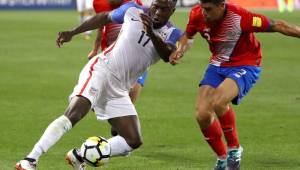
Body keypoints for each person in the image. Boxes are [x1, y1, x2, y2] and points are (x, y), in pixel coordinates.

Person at [15, 0, 182, 170]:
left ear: (172, 11)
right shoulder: (133, 10)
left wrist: (151, 33)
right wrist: (73, 32)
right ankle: (29, 160)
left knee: (133, 140)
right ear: (152, 3)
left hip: (120, 89)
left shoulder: (173, 32)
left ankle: (79, 155)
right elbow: (104, 17)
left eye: (164, 9)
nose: (158, 12)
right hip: (101, 71)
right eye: (156, 6)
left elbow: (167, 54)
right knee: (75, 113)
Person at [170, 0, 300, 170]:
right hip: (217, 65)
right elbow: (188, 35)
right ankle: (222, 158)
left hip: (246, 64)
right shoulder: (197, 14)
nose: (204, 13)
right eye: (202, 8)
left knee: (219, 101)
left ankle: (234, 148)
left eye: (208, 9)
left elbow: (278, 25)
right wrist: (180, 49)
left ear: (221, 6)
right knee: (202, 114)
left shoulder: (240, 17)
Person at [89, 0, 146, 137]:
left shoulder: (135, 3)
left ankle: (124, 135)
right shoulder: (99, 3)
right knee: (94, 101)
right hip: (109, 57)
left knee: (130, 95)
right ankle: (117, 124)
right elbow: (100, 23)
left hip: (134, 58)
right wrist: (95, 48)